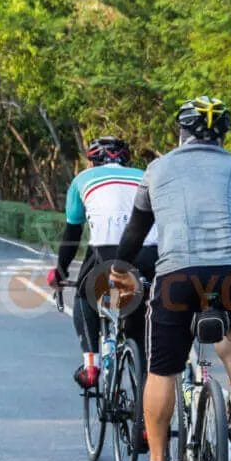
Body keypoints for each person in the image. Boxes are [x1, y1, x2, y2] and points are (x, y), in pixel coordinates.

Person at [110, 96, 231, 461]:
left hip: (179, 274)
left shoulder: (158, 169)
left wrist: (119, 271)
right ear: (223, 134)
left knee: (162, 369)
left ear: (182, 132)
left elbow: (136, 233)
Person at [47, 137, 159, 390]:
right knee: (138, 323)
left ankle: (91, 365)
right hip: (149, 252)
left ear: (92, 161)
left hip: (106, 253)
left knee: (84, 296)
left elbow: (72, 234)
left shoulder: (82, 180)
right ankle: (143, 412)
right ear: (126, 159)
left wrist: (60, 271)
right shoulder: (144, 176)